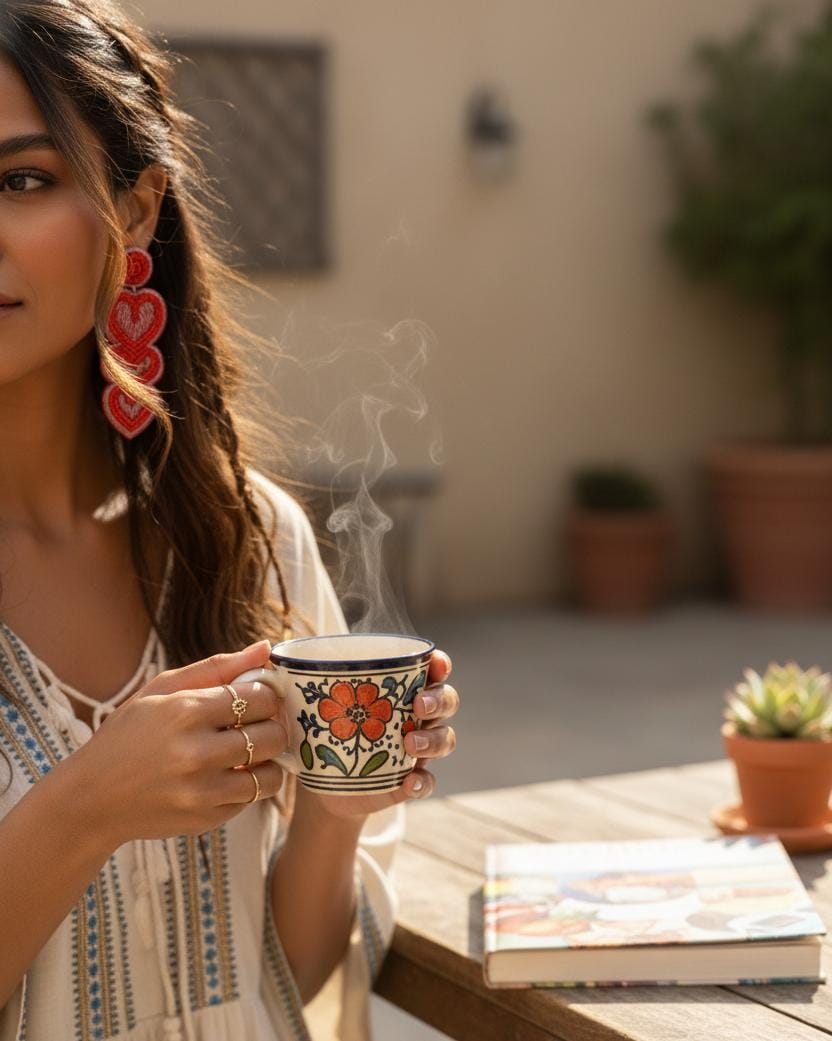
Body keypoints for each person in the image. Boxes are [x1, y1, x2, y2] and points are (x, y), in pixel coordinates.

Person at [0, 2, 460, 1040]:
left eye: (21, 180)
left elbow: (278, 984)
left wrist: (337, 814)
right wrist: (84, 807)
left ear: (136, 210)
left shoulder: (246, 535)